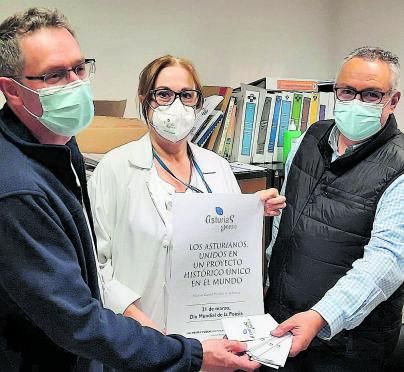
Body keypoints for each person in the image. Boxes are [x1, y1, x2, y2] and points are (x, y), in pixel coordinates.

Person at [0, 7, 261, 371]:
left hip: (191, 336)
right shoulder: (19, 190)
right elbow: (82, 308)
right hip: (124, 343)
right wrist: (179, 350)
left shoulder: (61, 148)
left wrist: (248, 214)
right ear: (13, 91)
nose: (75, 83)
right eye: (55, 75)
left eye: (79, 68)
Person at [88, 55, 286, 331]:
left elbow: (227, 248)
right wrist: (143, 325)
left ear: (198, 102)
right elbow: (96, 265)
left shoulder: (217, 168)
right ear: (145, 100)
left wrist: (250, 210)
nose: (177, 105)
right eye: (164, 95)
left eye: (187, 95)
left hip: (211, 332)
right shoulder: (114, 169)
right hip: (141, 333)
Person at [264, 46, 404, 371]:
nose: (356, 102)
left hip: (349, 344)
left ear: (392, 100)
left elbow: (389, 261)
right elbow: (284, 222)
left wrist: (321, 316)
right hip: (282, 322)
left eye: (371, 95)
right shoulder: (307, 140)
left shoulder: (399, 166)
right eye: (347, 91)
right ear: (335, 91)